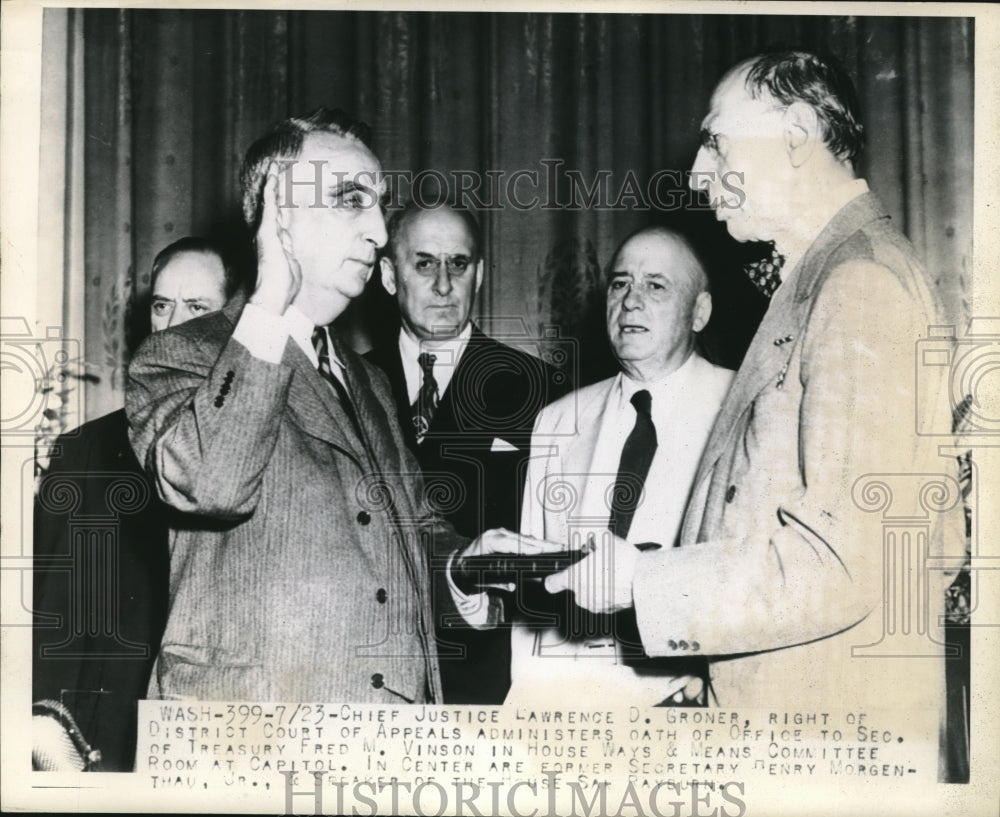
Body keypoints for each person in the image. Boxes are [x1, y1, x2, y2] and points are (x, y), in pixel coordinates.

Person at [546, 50, 962, 759]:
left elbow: (845, 562)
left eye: (717, 140)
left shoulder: (858, 283)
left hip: (829, 751)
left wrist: (640, 579)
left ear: (795, 137)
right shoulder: (829, 277)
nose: (697, 173)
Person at [125, 108, 524, 704]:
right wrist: (266, 306)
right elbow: (213, 483)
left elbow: (412, 538)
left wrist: (467, 562)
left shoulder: (370, 382)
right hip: (251, 751)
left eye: (378, 204)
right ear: (280, 214)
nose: (380, 232)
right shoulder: (181, 354)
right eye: (350, 200)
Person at [449, 226, 733, 704]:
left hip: (682, 706)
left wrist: (716, 677)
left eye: (655, 286)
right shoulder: (559, 419)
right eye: (620, 284)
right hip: (567, 708)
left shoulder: (740, 408)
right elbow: (531, 596)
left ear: (699, 311)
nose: (631, 301)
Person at [33, 237, 234, 770]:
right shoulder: (88, 450)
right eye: (162, 305)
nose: (172, 326)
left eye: (198, 308)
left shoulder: (265, 451)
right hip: (116, 735)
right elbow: (56, 619)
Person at [368, 203, 566, 704]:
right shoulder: (342, 384)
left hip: (483, 679)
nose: (442, 284)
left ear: (479, 274)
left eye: (458, 264)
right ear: (389, 276)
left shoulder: (544, 391)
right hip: (366, 671)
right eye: (424, 263)